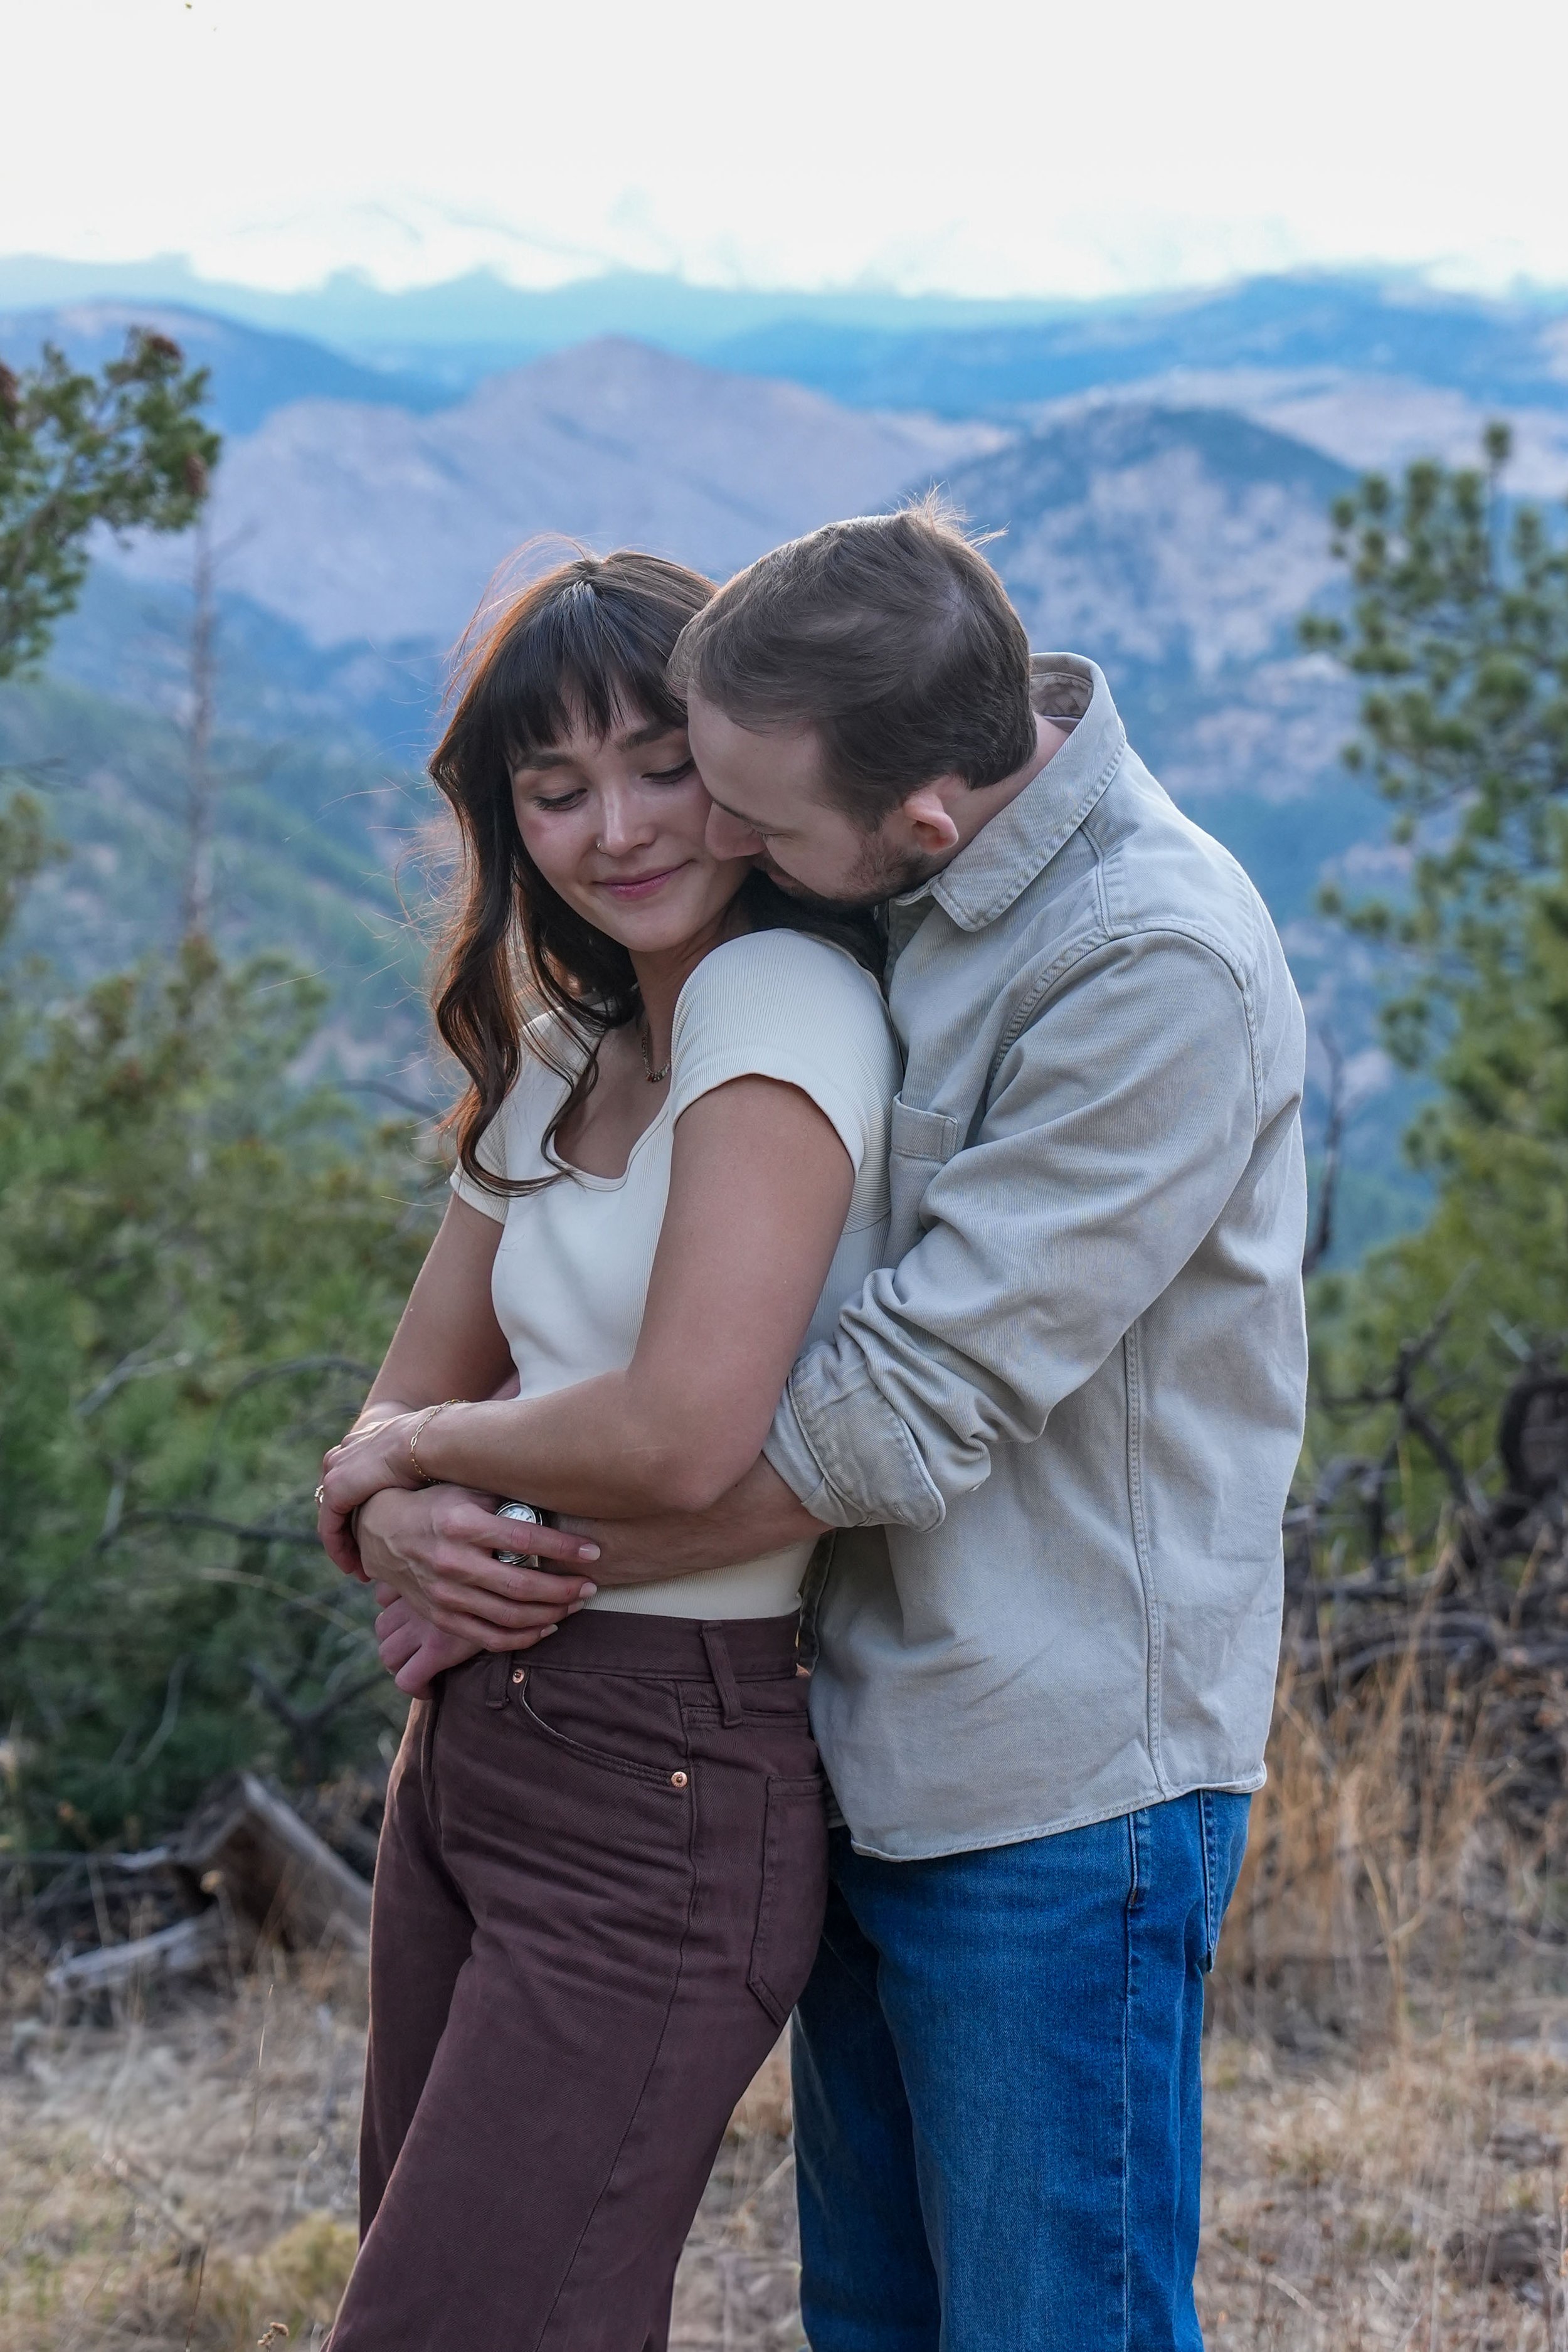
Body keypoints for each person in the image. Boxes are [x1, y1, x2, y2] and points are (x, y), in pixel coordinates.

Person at [361, 502, 1309, 2349]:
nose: (693, 836)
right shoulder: (889, 896)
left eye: (737, 808)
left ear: (916, 814)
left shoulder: (1143, 959)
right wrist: (395, 1497)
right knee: (874, 2319)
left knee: (1048, 2321)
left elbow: (896, 1412)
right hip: (849, 1723)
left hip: (1050, 1772)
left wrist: (460, 1509)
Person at [314, 548, 900, 2352]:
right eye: (552, 791)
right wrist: (387, 1503)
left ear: (744, 757)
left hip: (664, 1774)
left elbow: (675, 1426)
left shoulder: (783, 1007)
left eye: (659, 765)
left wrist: (404, 1466)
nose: (615, 829)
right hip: (476, 1745)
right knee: (472, 2295)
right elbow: (387, 1419)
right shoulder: (569, 1049)